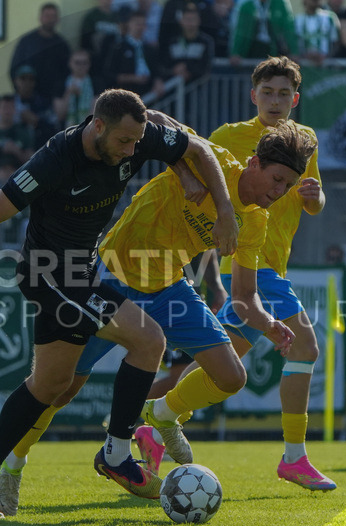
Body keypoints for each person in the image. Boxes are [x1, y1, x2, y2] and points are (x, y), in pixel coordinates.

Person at [0, 88, 238, 519]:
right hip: (48, 274)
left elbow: (195, 145)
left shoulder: (136, 135)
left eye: (136, 142)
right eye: (124, 142)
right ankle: (118, 454)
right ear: (98, 125)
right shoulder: (54, 160)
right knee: (148, 341)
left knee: (51, 386)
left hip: (82, 274)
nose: (131, 150)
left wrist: (223, 209)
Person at [0, 120, 315, 516]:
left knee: (231, 376)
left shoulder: (256, 221)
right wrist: (180, 168)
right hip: (109, 278)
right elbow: (151, 120)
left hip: (167, 288)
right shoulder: (210, 163)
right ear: (253, 164)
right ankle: (13, 464)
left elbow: (244, 298)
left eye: (287, 186)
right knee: (58, 388)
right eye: (277, 179)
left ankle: (159, 413)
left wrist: (270, 325)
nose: (279, 192)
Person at [139, 56, 335, 492]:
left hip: (273, 261)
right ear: (254, 95)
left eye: (284, 93)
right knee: (304, 346)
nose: (275, 100)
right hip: (247, 261)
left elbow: (313, 206)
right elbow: (197, 170)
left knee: (226, 362)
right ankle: (294, 458)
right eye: (267, 92)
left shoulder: (305, 141)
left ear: (296, 99)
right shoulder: (230, 136)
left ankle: (156, 424)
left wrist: (317, 196)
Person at [10, 3, 72, 101]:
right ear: (40, 18)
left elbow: (68, 72)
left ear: (57, 19)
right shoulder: (26, 42)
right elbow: (14, 69)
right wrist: (20, 92)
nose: (50, 19)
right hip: (28, 99)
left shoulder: (62, 45)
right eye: (47, 16)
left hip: (53, 99)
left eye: (53, 16)